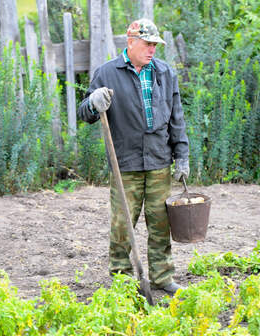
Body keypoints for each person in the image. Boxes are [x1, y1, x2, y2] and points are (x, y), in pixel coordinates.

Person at [78, 19, 189, 295]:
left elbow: (177, 118)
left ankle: (162, 277)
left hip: (159, 161)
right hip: (125, 163)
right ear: (131, 43)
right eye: (147, 44)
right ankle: (122, 279)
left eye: (155, 45)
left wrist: (182, 155)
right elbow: (84, 113)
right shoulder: (107, 73)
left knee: (160, 222)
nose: (152, 50)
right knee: (122, 223)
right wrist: (93, 103)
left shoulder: (164, 73)